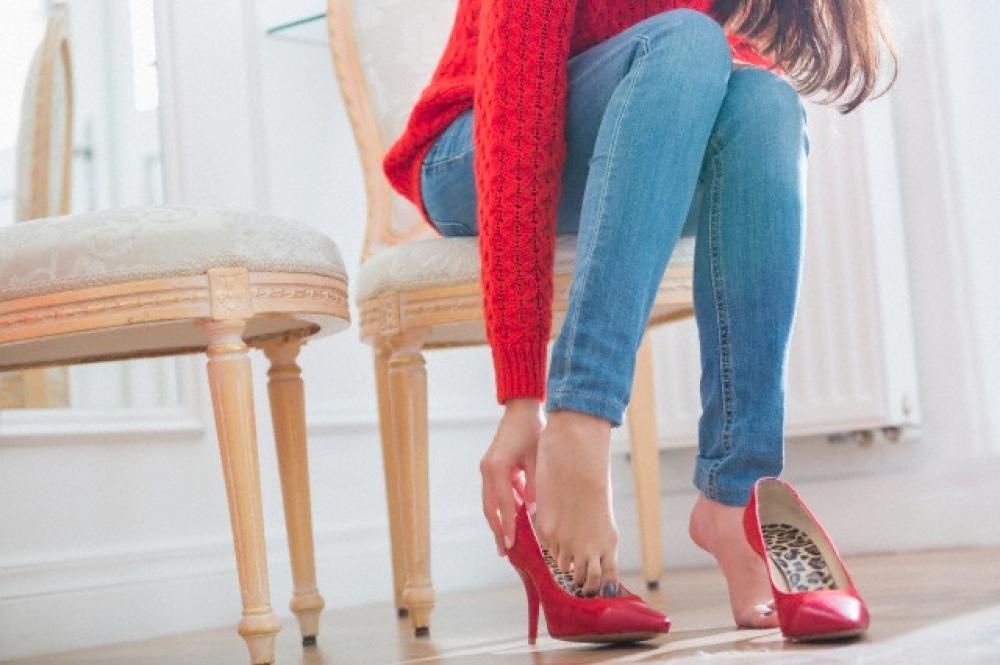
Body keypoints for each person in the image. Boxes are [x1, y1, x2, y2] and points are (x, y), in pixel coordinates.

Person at [383, 0, 895, 629]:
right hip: (471, 144)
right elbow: (516, 121)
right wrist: (524, 394)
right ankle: (581, 424)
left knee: (766, 102)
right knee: (689, 41)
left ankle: (735, 493)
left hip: (640, 120)